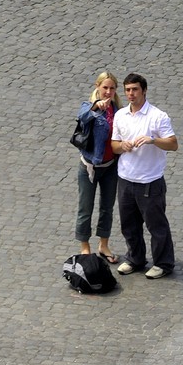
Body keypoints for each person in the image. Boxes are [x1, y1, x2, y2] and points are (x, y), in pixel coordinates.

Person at [112, 73, 177, 279]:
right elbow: (114, 145)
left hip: (150, 181)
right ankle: (135, 258)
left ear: (144, 91)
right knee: (128, 225)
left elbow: (173, 144)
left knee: (156, 226)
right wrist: (122, 146)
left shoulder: (158, 116)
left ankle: (163, 263)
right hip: (125, 179)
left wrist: (152, 140)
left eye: (135, 90)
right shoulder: (121, 115)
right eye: (128, 90)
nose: (131, 94)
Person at [74, 70, 120, 263]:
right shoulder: (89, 106)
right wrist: (95, 107)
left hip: (110, 166)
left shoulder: (118, 110)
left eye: (111, 88)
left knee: (107, 208)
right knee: (86, 207)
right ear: (98, 87)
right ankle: (85, 246)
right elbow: (82, 116)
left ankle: (104, 245)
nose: (108, 92)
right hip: (89, 167)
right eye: (105, 87)